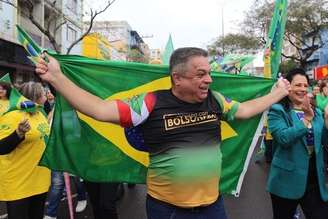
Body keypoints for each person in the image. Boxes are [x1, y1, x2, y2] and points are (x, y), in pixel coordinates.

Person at [36, 47, 290, 219]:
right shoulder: (150, 102)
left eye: (209, 73)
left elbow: (244, 110)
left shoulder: (215, 100)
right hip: (168, 211)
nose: (209, 80)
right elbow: (100, 110)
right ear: (177, 78)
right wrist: (56, 78)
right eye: (200, 74)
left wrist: (277, 93)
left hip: (213, 207)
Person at [267, 68, 328, 219]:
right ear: (288, 87)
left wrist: (326, 122)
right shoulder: (277, 110)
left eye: (305, 85)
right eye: (297, 85)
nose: (302, 89)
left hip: (314, 179)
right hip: (286, 180)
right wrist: (306, 119)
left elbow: (324, 142)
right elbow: (283, 138)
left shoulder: (316, 111)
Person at [0, 82, 51, 219]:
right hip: (19, 182)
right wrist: (18, 133)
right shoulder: (13, 115)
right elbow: (1, 148)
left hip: (40, 178)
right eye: (43, 92)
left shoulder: (40, 113)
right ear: (35, 96)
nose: (46, 94)